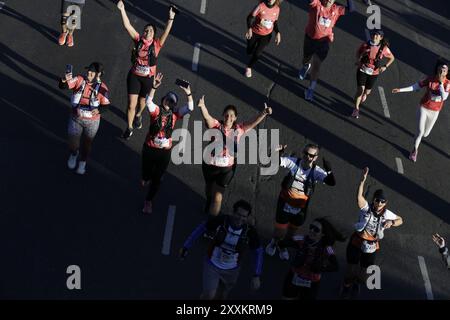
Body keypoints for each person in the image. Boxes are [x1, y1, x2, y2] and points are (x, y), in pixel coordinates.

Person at [198, 97, 272, 218]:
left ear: (235, 118)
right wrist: (202, 106)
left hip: (227, 169)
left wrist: (264, 112)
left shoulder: (240, 129)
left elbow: (254, 122)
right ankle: (208, 200)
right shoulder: (216, 126)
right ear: (223, 115)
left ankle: (211, 222)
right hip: (210, 165)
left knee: (218, 197)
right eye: (226, 115)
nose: (229, 117)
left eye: (232, 115)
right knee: (209, 188)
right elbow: (207, 117)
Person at [179, 200, 264, 300]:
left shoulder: (250, 232)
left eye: (244, 216)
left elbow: (258, 252)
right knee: (209, 296)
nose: (240, 219)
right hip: (212, 265)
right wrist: (186, 246)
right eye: (238, 214)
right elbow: (202, 228)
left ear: (247, 217)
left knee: (221, 296)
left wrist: (256, 275)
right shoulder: (221, 221)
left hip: (232, 270)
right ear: (233, 212)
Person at [117, 0, 177, 140]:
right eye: (146, 29)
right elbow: (128, 26)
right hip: (134, 76)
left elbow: (167, 31)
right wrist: (122, 10)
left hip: (148, 79)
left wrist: (171, 18)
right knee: (131, 104)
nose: (147, 31)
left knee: (142, 103)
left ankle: (138, 115)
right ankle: (129, 127)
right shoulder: (138, 40)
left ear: (154, 35)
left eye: (150, 30)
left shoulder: (157, 45)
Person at [341, 167, 403, 299]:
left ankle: (357, 284)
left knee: (364, 274)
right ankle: (346, 286)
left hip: (371, 245)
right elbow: (359, 198)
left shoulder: (386, 213)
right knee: (350, 269)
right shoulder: (366, 208)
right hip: (357, 241)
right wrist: (362, 181)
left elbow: (400, 220)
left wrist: (391, 223)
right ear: (373, 200)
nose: (379, 203)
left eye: (382, 201)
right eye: (377, 200)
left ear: (386, 203)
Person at [141, 73, 193, 213]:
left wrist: (188, 93)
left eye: (171, 102)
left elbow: (190, 108)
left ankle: (148, 201)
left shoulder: (175, 115)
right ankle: (146, 177)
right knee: (146, 174)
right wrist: (154, 87)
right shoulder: (156, 111)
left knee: (157, 179)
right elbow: (148, 102)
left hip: (164, 152)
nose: (168, 103)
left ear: (174, 105)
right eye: (167, 100)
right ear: (163, 99)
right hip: (150, 148)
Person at [392, 59, 449, 162]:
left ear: (447, 72)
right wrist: (400, 90)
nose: (442, 73)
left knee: (425, 134)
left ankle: (417, 139)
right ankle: (414, 150)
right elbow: (416, 86)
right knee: (420, 132)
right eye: (441, 70)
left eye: (444, 71)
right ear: (437, 70)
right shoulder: (430, 79)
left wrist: (440, 83)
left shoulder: (447, 83)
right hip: (424, 108)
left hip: (435, 111)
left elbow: (444, 96)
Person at [58, 62, 110, 175]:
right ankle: (73, 154)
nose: (89, 73)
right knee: (73, 143)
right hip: (76, 118)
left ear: (98, 74)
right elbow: (63, 86)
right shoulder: (79, 79)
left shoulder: (103, 88)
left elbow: (106, 106)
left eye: (92, 72)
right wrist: (63, 79)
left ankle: (83, 161)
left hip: (92, 122)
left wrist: (99, 110)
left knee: (87, 144)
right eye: (88, 71)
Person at [298, 0, 355, 101]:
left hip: (324, 42)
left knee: (316, 65)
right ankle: (306, 65)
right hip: (310, 39)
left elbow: (351, 9)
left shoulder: (336, 9)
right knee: (306, 58)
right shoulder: (316, 4)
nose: (329, 0)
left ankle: (310, 90)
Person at [279, 218, 345, 300]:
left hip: (312, 283)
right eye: (311, 227)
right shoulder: (301, 239)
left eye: (316, 230)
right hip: (294, 276)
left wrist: (320, 268)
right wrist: (284, 247)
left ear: (322, 234)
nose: (311, 230)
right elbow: (284, 242)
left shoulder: (327, 248)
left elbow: (335, 266)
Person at [352, 29, 395, 118]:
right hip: (362, 70)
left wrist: (385, 66)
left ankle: (364, 94)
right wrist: (358, 60)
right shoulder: (365, 45)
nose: (374, 36)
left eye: (377, 35)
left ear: (381, 38)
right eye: (374, 34)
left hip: (374, 73)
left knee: (367, 91)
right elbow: (358, 52)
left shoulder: (384, 49)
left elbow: (392, 58)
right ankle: (356, 109)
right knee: (360, 89)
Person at [244, 0, 282, 78]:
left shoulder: (277, 9)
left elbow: (274, 22)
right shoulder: (261, 6)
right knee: (249, 50)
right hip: (254, 33)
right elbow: (249, 17)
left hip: (266, 35)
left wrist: (277, 32)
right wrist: (249, 29)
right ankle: (251, 49)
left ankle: (249, 67)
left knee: (257, 53)